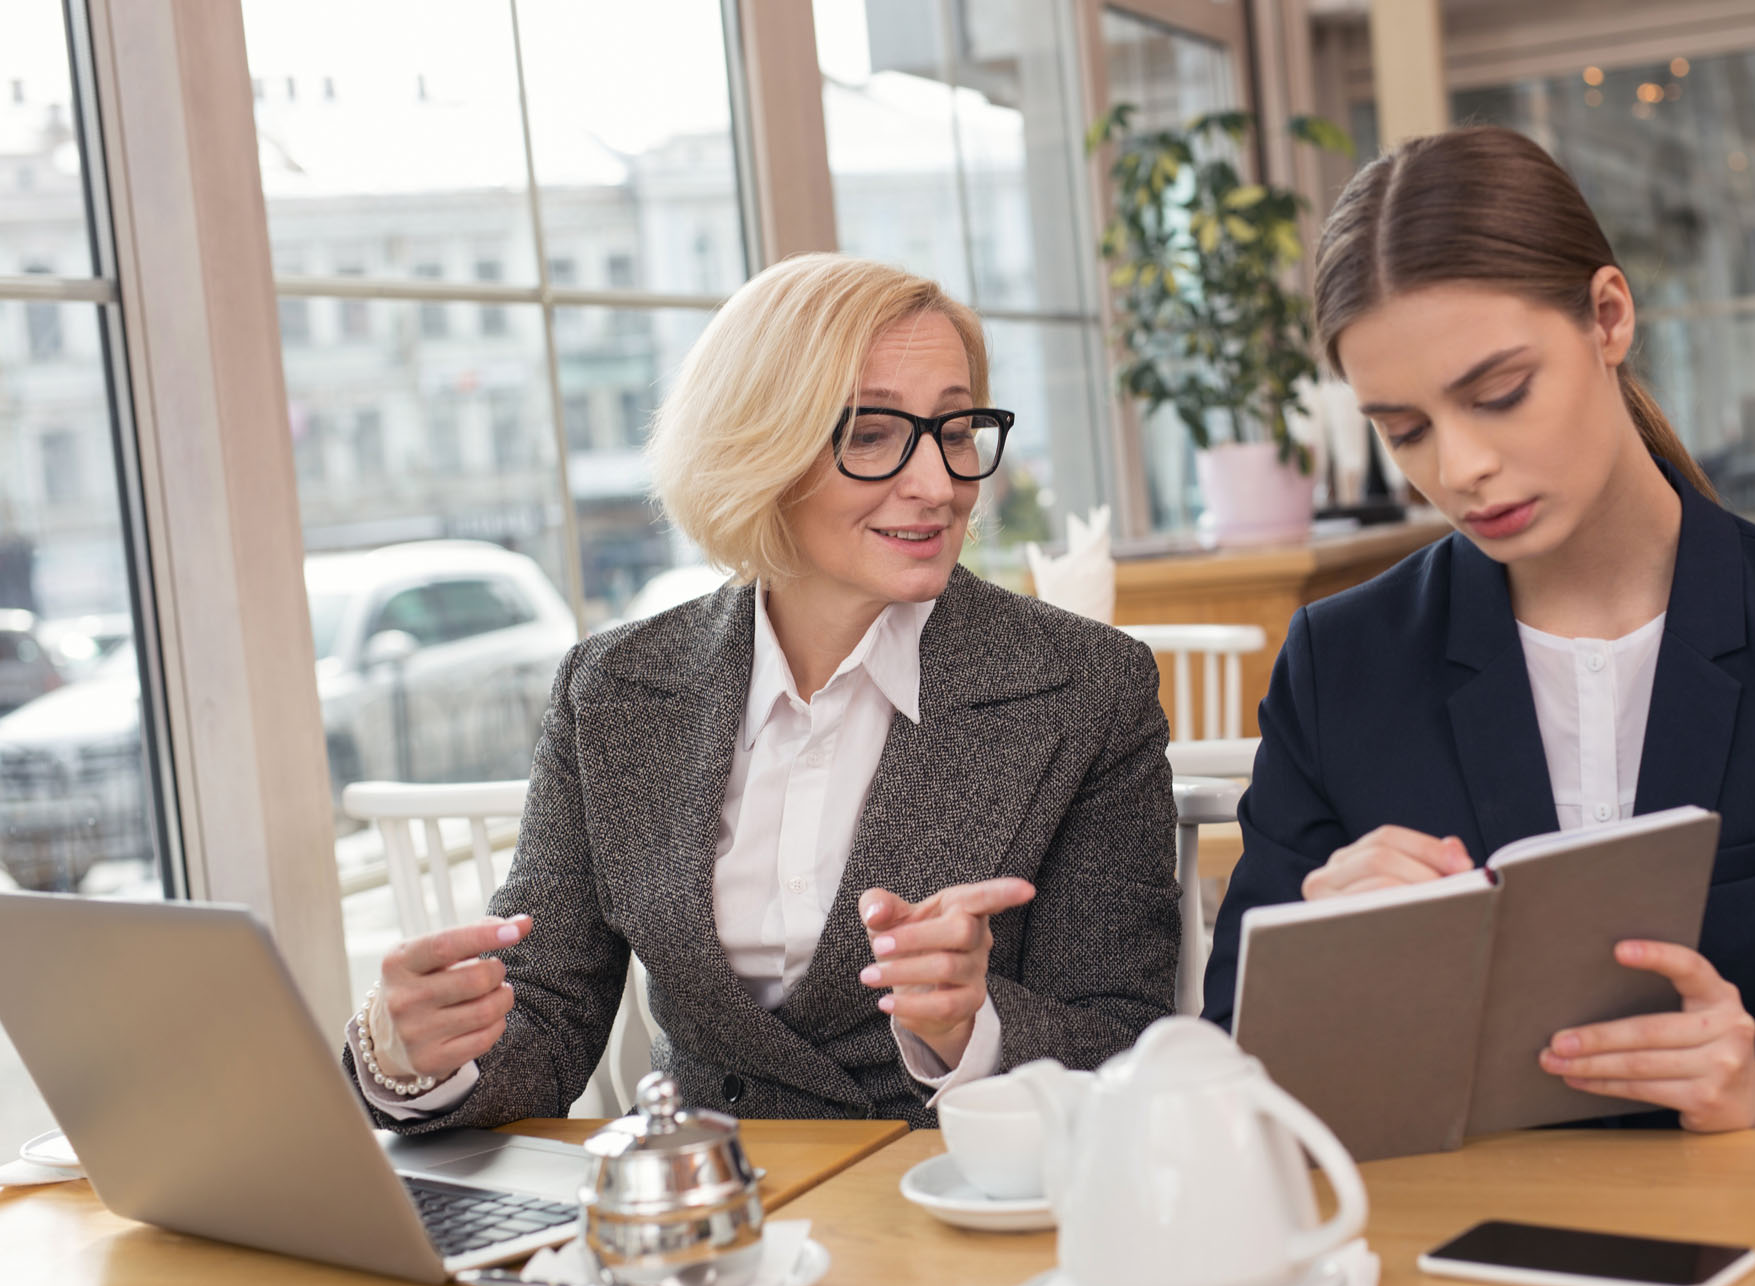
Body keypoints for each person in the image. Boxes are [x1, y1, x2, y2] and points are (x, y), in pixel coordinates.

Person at [1202, 126, 1755, 1286]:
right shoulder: (1340, 664)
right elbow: (1228, 1070)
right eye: (1404, 430)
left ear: (1607, 316)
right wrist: (1323, 952)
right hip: (1452, 1281)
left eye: (1498, 392)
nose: (1460, 467)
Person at [343, 253, 1179, 1129]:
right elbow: (545, 1022)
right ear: (760, 451)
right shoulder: (613, 690)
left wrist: (972, 1027)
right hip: (703, 1218)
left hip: (945, 1209)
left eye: (957, 429)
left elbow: (1127, 1042)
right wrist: (408, 1055)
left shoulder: (1086, 688)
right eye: (871, 434)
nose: (940, 484)